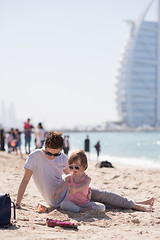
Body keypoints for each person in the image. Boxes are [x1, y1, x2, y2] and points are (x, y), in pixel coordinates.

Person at [16, 130, 154, 212]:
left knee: (102, 195)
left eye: (56, 154)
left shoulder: (63, 158)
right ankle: (137, 205)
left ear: (61, 150)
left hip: (71, 192)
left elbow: (72, 175)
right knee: (104, 204)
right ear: (44, 145)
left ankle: (137, 204)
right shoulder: (35, 156)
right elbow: (25, 180)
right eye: (49, 153)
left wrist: (82, 189)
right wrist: (18, 203)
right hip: (60, 200)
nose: (52, 157)